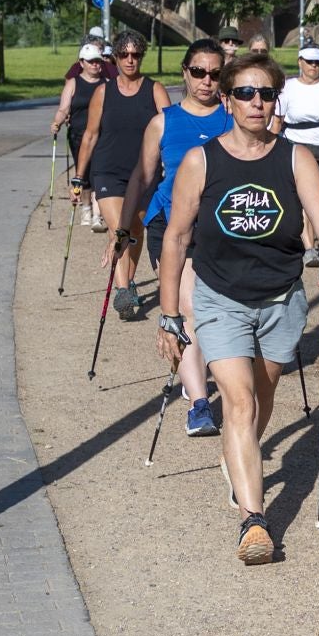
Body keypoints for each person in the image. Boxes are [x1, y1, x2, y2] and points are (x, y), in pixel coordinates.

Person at [148, 52, 319, 565]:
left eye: (265, 94)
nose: (256, 102)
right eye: (245, 93)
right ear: (228, 100)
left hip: (282, 297)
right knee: (237, 404)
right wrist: (170, 314)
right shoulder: (202, 161)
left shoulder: (295, 157)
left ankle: (236, 459)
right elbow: (175, 239)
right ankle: (254, 521)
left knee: (262, 397)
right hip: (220, 297)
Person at [113, 39, 232, 436]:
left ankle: (193, 366)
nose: (206, 81)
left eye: (215, 74)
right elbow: (143, 177)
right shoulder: (164, 121)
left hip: (220, 227)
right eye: (198, 72)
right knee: (186, 307)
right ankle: (200, 404)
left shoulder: (234, 119)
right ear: (185, 72)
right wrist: (122, 229)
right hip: (171, 226)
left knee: (217, 310)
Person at [75, 31, 170, 318]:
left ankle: (126, 284)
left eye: (136, 55)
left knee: (136, 229)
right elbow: (90, 136)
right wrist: (79, 178)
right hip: (107, 171)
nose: (130, 60)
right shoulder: (103, 92)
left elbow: (171, 130)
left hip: (144, 173)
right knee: (120, 228)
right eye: (125, 54)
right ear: (115, 57)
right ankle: (123, 291)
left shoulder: (154, 89)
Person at [273, 44, 319, 267]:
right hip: (295, 145)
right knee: (302, 197)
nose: (314, 66)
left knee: (315, 195)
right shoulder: (288, 87)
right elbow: (278, 119)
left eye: (318, 63)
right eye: (310, 62)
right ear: (300, 62)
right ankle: (309, 247)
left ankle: (316, 241)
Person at [52, 44, 111, 228]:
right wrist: (57, 122)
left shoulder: (107, 84)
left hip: (102, 135)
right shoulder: (73, 83)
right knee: (83, 173)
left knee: (99, 173)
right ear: (82, 63)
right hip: (78, 135)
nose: (96, 65)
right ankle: (86, 209)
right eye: (91, 61)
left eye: (98, 61)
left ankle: (97, 214)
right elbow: (64, 108)